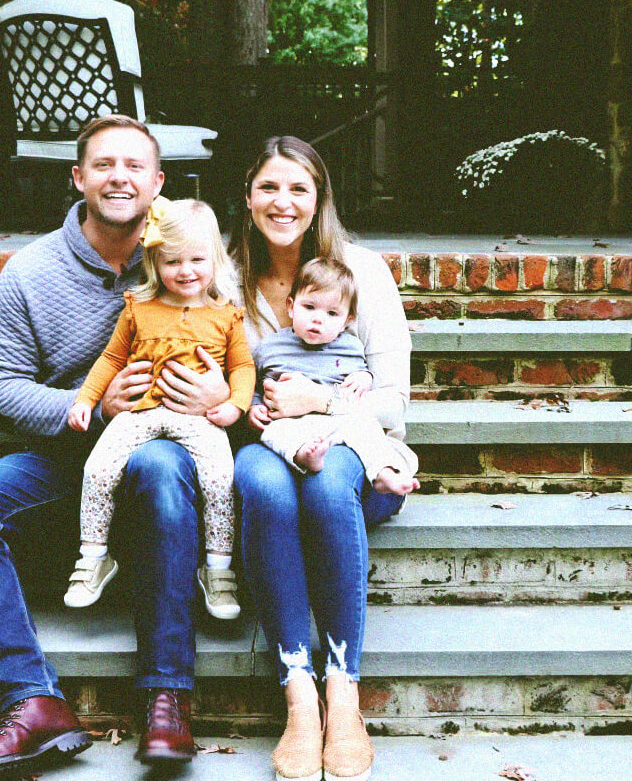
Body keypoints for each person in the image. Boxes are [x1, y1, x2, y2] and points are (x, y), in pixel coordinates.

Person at [0, 115, 230, 780]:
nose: (119, 177)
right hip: (73, 454)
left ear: (158, 183)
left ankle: (166, 695)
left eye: (134, 166)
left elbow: (247, 357)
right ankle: (33, 701)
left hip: (172, 455)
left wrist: (219, 396)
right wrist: (88, 408)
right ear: (78, 177)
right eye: (103, 165)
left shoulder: (195, 257)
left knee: (158, 464)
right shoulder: (32, 270)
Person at [230, 136, 418, 781]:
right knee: (268, 488)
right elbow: (217, 374)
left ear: (319, 200)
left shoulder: (361, 272)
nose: (282, 202)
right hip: (263, 445)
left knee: (327, 486)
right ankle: (297, 692)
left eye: (298, 189)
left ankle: (343, 687)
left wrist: (323, 403)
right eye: (269, 187)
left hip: (351, 447)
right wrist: (241, 404)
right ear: (248, 195)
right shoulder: (227, 278)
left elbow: (394, 398)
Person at [65, 197, 254, 620]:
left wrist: (236, 405)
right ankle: (94, 558)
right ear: (154, 262)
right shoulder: (139, 308)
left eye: (197, 260)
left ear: (215, 260)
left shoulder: (226, 315)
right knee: (98, 468)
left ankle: (218, 570)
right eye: (172, 262)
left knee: (221, 477)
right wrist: (85, 400)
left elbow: (243, 366)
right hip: (139, 412)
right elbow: (111, 359)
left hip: (199, 419)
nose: (185, 271)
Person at [251, 257, 419, 493]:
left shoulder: (350, 347)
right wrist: (255, 407)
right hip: (290, 423)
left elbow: (360, 374)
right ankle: (305, 455)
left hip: (337, 421)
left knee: (366, 427)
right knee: (274, 433)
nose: (318, 318)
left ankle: (383, 472)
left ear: (346, 321)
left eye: (332, 313)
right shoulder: (270, 348)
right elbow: (256, 385)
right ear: (291, 306)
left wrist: (365, 377)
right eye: (309, 307)